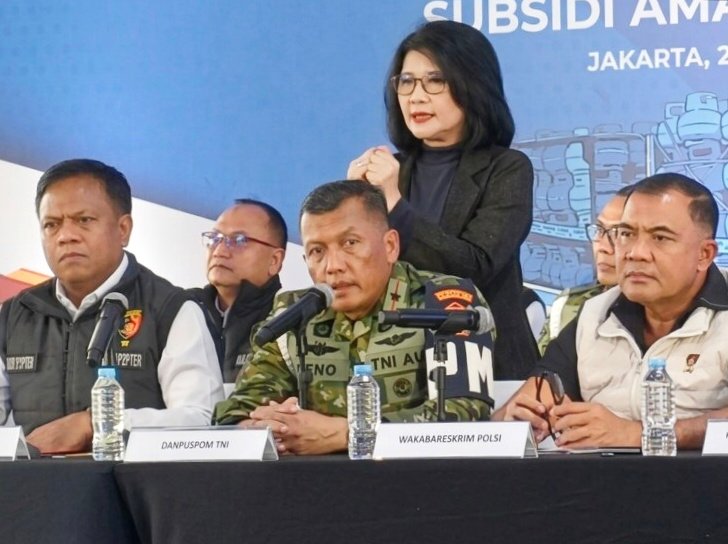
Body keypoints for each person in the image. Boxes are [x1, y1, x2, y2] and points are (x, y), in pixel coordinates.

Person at [213, 180, 493, 455]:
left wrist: (346, 434)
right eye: (317, 251)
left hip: (420, 478)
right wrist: (270, 428)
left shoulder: (445, 300)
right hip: (317, 482)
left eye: (350, 243)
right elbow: (234, 415)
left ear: (390, 246)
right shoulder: (293, 313)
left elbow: (464, 413)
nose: (333, 266)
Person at [347, 20, 536, 379]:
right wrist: (353, 212)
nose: (416, 96)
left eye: (435, 81)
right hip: (395, 367)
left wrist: (393, 203)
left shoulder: (507, 168)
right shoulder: (389, 172)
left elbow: (475, 267)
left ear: (472, 85)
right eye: (406, 81)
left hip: (487, 367)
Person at [0, 159, 224, 454]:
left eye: (84, 220)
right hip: (32, 482)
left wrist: (97, 423)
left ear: (123, 229)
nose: (66, 236)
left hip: (133, 482)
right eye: (51, 225)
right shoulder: (13, 315)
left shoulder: (170, 309)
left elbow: (202, 420)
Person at [494, 173, 728, 450]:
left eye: (660, 238)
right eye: (626, 234)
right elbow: (519, 409)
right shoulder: (594, 314)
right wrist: (517, 424)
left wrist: (640, 434)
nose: (635, 253)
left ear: (704, 254)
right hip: (601, 477)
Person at [188, 199, 286, 383]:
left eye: (239, 241)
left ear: (274, 260)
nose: (219, 251)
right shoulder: (182, 309)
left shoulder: (289, 323)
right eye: (214, 238)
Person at [537, 187, 631, 354]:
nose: (603, 247)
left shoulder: (660, 318)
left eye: (619, 234)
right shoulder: (568, 305)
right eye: (599, 230)